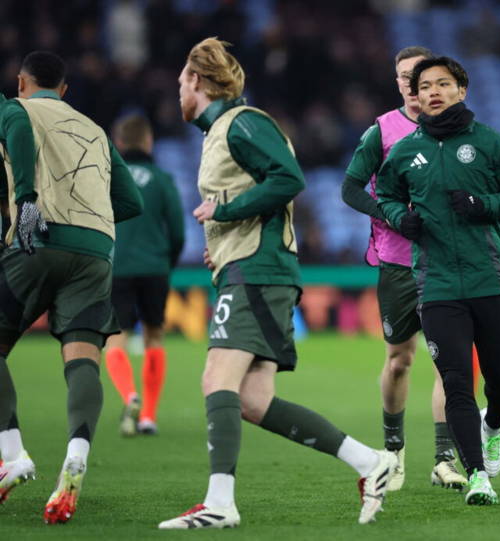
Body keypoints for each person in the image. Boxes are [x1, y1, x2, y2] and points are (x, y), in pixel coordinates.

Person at [157, 38, 396, 530]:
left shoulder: (242, 123)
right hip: (252, 267)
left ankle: (220, 503)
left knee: (215, 380)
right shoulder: (222, 132)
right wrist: (220, 240)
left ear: (197, 81)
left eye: (181, 80)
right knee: (251, 401)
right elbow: (259, 195)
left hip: (258, 272)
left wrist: (223, 213)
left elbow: (288, 179)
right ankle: (370, 462)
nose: (177, 89)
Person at [376, 56, 500, 505]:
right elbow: (385, 194)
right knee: (456, 383)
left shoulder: (490, 143)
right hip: (438, 286)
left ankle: (495, 427)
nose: (433, 91)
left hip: (490, 280)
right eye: (425, 85)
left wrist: (482, 204)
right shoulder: (405, 151)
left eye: (443, 84)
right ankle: (478, 477)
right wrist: (397, 217)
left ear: (461, 90)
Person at [0, 51, 143, 522]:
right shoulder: (97, 131)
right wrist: (90, 222)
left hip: (39, 238)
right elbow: (130, 200)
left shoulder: (14, 109)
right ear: (64, 90)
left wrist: (25, 200)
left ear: (21, 82)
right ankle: (76, 454)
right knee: (82, 361)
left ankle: (12, 455)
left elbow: (18, 134)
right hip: (97, 249)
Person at [341, 45, 466, 491]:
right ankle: (393, 453)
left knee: (450, 364)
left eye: (419, 74)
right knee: (399, 361)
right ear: (398, 84)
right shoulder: (382, 131)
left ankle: (444, 460)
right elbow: (350, 189)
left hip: (448, 262)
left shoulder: (458, 132)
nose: (411, 82)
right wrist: (392, 215)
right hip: (396, 261)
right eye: (403, 76)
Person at [104, 114, 185, 436]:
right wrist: (168, 262)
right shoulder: (163, 179)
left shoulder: (110, 178)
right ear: (149, 142)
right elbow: (178, 231)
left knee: (115, 339)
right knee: (154, 337)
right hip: (155, 268)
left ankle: (130, 395)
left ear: (119, 143)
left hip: (118, 267)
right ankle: (149, 415)